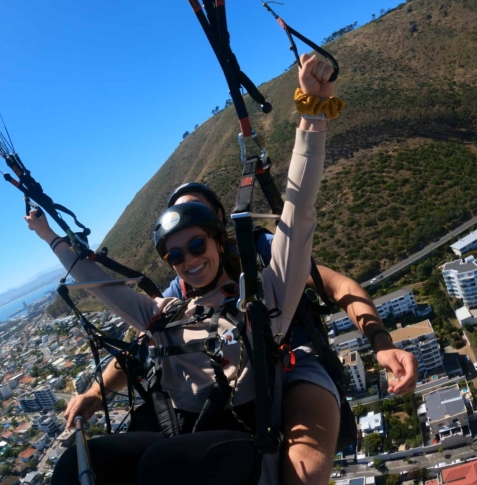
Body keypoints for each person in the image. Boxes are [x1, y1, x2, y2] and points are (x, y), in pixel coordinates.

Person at [24, 54, 355, 485]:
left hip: (242, 437)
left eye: (197, 245)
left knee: (162, 466)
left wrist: (312, 115)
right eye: (176, 255)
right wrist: (49, 236)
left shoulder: (264, 297)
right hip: (184, 434)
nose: (189, 260)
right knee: (81, 464)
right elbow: (97, 284)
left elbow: (298, 215)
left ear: (219, 241)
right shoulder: (164, 312)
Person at [59, 183, 418, 485]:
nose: (189, 250)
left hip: (294, 354)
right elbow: (150, 342)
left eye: (198, 220)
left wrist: (380, 343)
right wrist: (96, 391)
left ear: (217, 222)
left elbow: (338, 286)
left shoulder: (259, 249)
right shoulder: (182, 288)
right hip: (230, 372)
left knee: (303, 467)